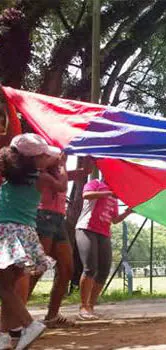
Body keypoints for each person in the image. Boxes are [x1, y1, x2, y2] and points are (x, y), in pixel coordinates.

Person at [14, 155, 93, 330]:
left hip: (58, 219)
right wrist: (62, 162)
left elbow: (72, 175)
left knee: (67, 269)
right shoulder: (48, 153)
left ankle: (52, 316)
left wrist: (85, 166)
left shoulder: (60, 159)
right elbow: (60, 184)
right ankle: (16, 319)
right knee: (37, 269)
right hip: (43, 216)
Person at [0, 134, 59, 350]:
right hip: (24, 234)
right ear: (32, 160)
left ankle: (29, 324)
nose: (47, 159)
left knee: (4, 286)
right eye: (43, 155)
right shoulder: (40, 178)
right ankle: (3, 335)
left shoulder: (9, 180)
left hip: (6, 232)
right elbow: (60, 184)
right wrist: (61, 168)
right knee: (9, 287)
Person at [75, 178, 132, 320]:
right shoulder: (96, 183)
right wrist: (109, 193)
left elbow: (115, 219)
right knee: (90, 268)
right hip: (87, 228)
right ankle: (83, 306)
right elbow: (86, 195)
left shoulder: (113, 196)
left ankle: (91, 307)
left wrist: (128, 212)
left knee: (104, 270)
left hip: (104, 232)